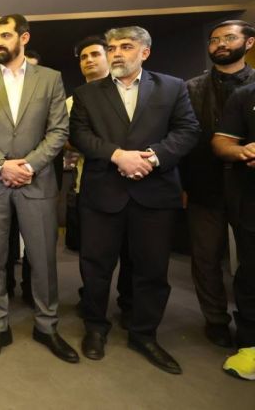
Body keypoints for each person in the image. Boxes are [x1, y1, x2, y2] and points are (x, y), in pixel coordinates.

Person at [70, 26, 199, 374]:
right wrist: (118, 156)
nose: (116, 53)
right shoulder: (87, 93)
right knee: (95, 268)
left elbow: (188, 130)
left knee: (152, 270)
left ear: (145, 52)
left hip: (154, 192)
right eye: (112, 47)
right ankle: (95, 328)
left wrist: (152, 158)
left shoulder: (172, 86)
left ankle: (144, 334)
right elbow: (79, 135)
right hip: (102, 193)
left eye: (125, 47)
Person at [0, 14, 77, 363]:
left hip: (36, 180)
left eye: (6, 35)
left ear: (24, 38)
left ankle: (47, 325)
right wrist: (1, 164)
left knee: (43, 258)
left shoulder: (50, 79)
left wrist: (28, 166)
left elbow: (58, 131)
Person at [183, 20, 255, 348]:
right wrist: (182, 185)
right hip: (203, 184)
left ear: (248, 43)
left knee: (251, 260)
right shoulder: (190, 88)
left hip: (249, 188)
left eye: (229, 38)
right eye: (214, 40)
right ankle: (215, 319)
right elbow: (182, 139)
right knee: (206, 258)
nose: (220, 44)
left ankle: (248, 321)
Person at [68, 36, 133, 326]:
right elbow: (69, 139)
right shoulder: (73, 100)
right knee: (94, 257)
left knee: (133, 256)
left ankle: (129, 305)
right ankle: (93, 311)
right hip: (90, 185)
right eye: (84, 57)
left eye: (95, 54)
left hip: (135, 183)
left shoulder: (129, 92)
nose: (89, 60)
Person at [212, 79, 255, 380]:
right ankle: (251, 345)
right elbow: (221, 142)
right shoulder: (246, 95)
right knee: (251, 272)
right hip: (250, 200)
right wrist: (242, 151)